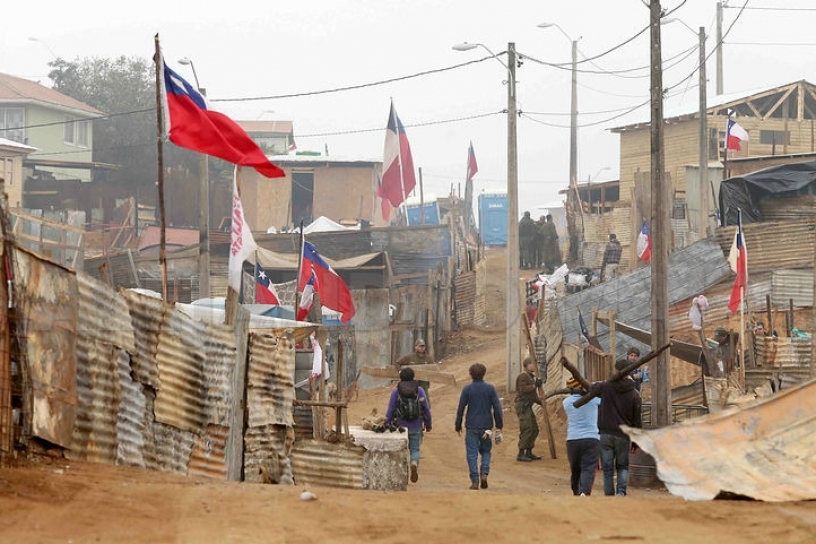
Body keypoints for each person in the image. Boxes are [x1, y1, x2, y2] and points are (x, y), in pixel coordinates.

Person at [583, 358, 642, 497]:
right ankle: (621, 493)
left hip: (605, 434)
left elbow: (590, 388)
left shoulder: (605, 387)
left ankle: (609, 496)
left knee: (608, 469)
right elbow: (637, 421)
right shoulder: (634, 394)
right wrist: (635, 441)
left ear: (616, 370)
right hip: (624, 436)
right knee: (622, 467)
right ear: (630, 372)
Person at [455, 363, 504, 490]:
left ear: (470, 374)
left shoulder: (467, 389)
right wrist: (499, 425)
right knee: (486, 451)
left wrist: (458, 424)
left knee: (472, 453)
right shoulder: (490, 389)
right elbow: (497, 409)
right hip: (487, 426)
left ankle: (475, 480)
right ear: (484, 373)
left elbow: (461, 408)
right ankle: (485, 472)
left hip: (471, 426)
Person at [385, 367, 432, 484]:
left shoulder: (396, 391)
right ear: (413, 376)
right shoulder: (419, 390)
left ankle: (402, 476)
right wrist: (428, 424)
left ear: (400, 377)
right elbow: (426, 408)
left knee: (401, 450)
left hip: (400, 426)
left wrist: (386, 423)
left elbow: (391, 409)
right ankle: (414, 463)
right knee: (415, 449)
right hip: (416, 425)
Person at [563, 377, 601, 496]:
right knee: (588, 467)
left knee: (575, 468)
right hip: (592, 438)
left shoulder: (566, 402)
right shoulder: (595, 399)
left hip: (572, 439)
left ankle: (576, 492)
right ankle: (584, 491)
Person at [514, 357, 543, 462]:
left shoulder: (531, 377)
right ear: (528, 365)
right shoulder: (523, 376)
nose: (535, 366)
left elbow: (533, 396)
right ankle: (521, 453)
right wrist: (534, 385)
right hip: (523, 406)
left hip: (528, 406)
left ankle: (529, 452)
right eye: (533, 364)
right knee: (527, 428)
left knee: (534, 429)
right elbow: (523, 390)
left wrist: (542, 403)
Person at [395, 338, 435, 403]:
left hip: (423, 386)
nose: (422, 348)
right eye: (420, 346)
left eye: (423, 346)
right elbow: (397, 363)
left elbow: (434, 369)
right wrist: (400, 372)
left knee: (425, 404)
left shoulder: (429, 358)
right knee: (412, 404)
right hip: (411, 386)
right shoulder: (410, 357)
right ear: (416, 347)